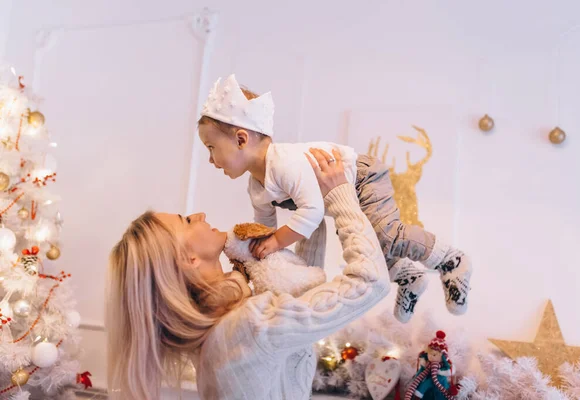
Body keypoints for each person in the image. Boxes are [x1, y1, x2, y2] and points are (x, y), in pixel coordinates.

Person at [106, 148, 391, 399]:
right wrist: (340, 196)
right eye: (188, 220)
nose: (201, 215)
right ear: (187, 259)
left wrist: (311, 211)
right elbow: (369, 281)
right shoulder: (245, 326)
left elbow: (302, 291)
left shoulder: (229, 323)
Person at [197, 74, 472, 322]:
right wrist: (265, 248)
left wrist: (277, 240)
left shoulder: (284, 163)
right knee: (371, 248)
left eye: (211, 148)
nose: (210, 159)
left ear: (241, 139)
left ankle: (452, 260)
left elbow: (312, 211)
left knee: (387, 235)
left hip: (362, 178)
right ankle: (409, 277)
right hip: (340, 196)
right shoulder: (256, 187)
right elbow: (265, 228)